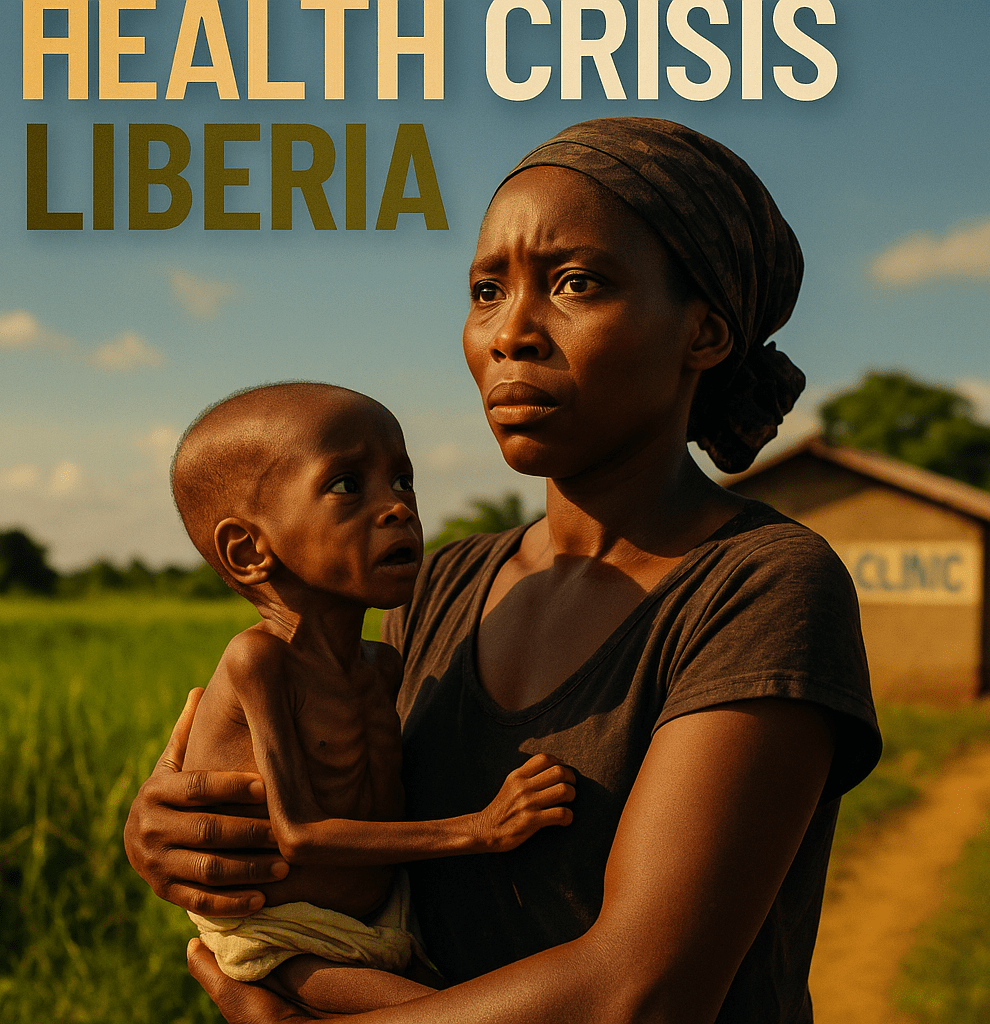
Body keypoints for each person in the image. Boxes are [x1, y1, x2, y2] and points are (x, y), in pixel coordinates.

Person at [125, 118, 882, 1024]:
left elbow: (640, 993)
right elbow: (360, 837)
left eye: (576, 284)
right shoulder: (441, 587)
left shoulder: (759, 587)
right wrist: (186, 837)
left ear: (705, 332)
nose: (509, 334)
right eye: (487, 291)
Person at [165, 382, 576, 1016]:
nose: (398, 508)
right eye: (348, 486)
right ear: (249, 551)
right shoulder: (259, 660)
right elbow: (298, 835)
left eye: (403, 481)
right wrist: (481, 829)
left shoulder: (382, 665)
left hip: (386, 925)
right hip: (288, 941)